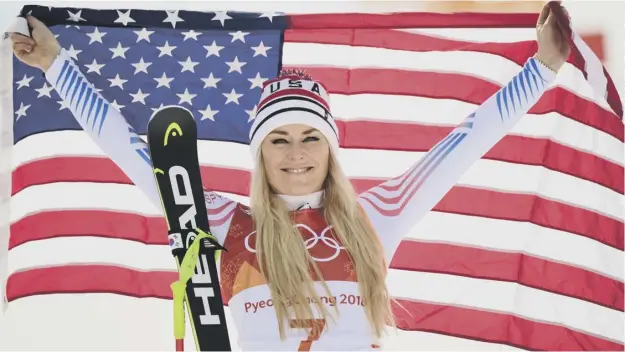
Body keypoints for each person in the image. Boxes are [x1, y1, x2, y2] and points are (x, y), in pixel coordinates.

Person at [10, 2, 570, 350]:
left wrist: (543, 69)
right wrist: (56, 65)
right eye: (278, 139)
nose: (295, 154)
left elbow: (465, 143)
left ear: (330, 149)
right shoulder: (226, 221)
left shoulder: (376, 216)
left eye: (310, 139)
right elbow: (131, 150)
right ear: (259, 152)